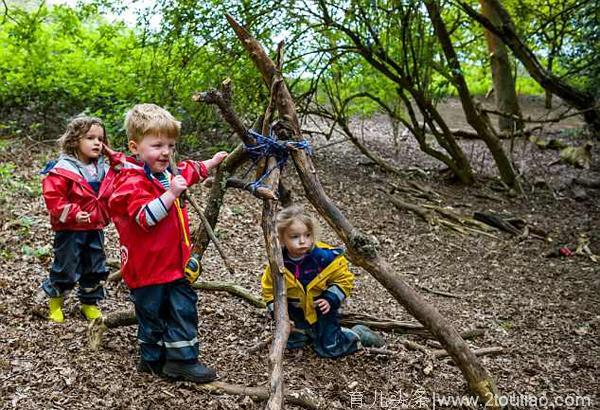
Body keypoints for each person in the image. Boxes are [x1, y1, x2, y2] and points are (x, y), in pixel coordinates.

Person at [108, 103, 227, 383]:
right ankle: (151, 359)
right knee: (152, 315)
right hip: (147, 268)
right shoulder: (130, 182)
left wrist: (212, 162)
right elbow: (145, 218)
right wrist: (171, 194)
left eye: (170, 145)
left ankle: (182, 360)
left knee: (183, 308)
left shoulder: (166, 173)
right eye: (157, 145)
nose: (165, 152)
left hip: (173, 265)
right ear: (135, 147)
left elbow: (189, 171)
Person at [261, 205, 384, 358]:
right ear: (281, 239)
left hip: (322, 310)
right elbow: (268, 290)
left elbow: (344, 279)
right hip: (294, 312)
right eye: (294, 237)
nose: (302, 241)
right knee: (292, 343)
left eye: (307, 235)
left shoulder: (324, 259)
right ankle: (306, 332)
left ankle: (357, 334)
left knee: (330, 348)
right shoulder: (278, 263)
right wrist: (279, 315)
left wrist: (330, 298)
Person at [40, 116, 116, 323]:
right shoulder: (63, 169)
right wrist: (73, 213)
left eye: (101, 139)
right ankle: (55, 301)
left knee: (95, 266)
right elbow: (53, 198)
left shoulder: (103, 168)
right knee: (66, 266)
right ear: (74, 140)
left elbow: (117, 184)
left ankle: (89, 302)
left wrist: (112, 156)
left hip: (95, 226)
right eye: (90, 138)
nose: (97, 143)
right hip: (70, 230)